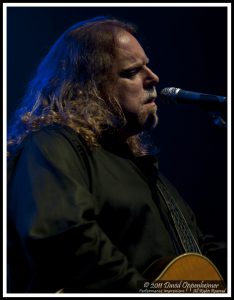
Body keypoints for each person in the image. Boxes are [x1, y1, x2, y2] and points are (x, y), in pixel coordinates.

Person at [7, 16, 227, 293]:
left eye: (147, 65)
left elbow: (198, 249)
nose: (153, 77)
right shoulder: (52, 144)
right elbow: (62, 239)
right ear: (86, 87)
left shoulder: (140, 166)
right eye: (132, 71)